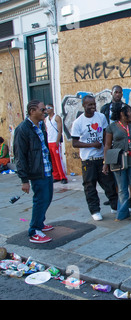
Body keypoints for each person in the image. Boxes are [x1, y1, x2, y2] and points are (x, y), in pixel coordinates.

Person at [71, 95, 118, 221]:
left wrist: (106, 156)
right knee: (90, 186)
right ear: (83, 105)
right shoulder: (78, 122)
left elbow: (105, 136)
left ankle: (115, 206)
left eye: (93, 104)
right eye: (89, 105)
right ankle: (95, 210)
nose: (92, 107)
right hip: (88, 160)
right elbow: (75, 143)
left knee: (109, 183)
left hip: (101, 158)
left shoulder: (101, 117)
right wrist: (92, 144)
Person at [14, 100, 54, 243]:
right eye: (42, 110)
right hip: (36, 172)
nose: (45, 112)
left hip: (46, 170)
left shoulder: (41, 125)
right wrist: (24, 180)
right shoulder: (23, 129)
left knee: (47, 198)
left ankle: (40, 223)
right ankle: (34, 230)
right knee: (40, 200)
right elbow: (20, 156)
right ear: (32, 111)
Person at [104, 104, 131, 224]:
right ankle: (122, 213)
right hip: (118, 161)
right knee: (122, 189)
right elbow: (107, 146)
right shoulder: (112, 127)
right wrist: (105, 163)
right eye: (128, 112)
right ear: (121, 114)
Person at [45, 103, 68, 184]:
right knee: (53, 160)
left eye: (49, 107)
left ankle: (63, 176)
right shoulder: (46, 119)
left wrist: (57, 141)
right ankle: (56, 175)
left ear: (52, 108)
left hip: (55, 141)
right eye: (46, 108)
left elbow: (59, 130)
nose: (47, 109)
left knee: (58, 159)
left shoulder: (57, 117)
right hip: (49, 141)